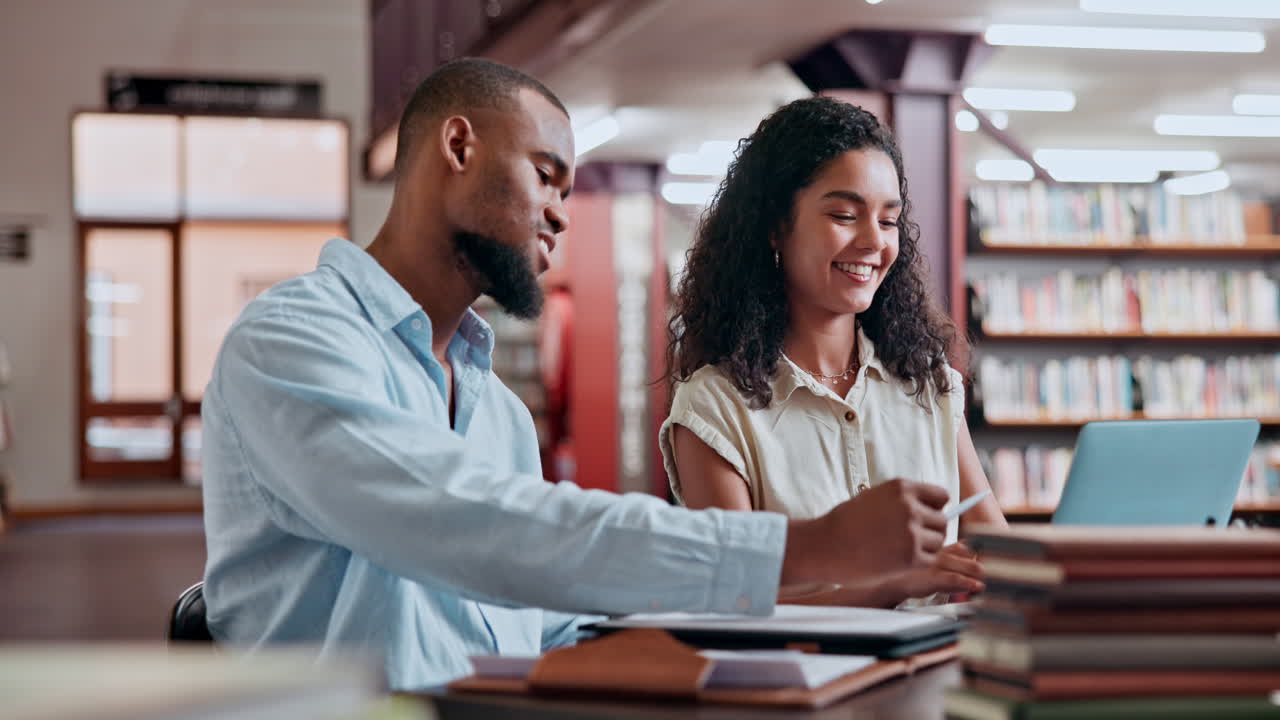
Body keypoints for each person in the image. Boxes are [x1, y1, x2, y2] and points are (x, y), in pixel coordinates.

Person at [200, 59, 955, 690]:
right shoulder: (292, 341)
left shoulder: (493, 410)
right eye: (546, 176)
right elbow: (470, 523)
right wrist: (809, 549)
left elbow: (547, 618)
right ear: (458, 145)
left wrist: (762, 646)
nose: (561, 213)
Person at [661, 97, 1007, 608]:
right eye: (845, 215)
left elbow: (995, 546)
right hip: (801, 683)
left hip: (942, 677)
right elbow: (733, 600)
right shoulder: (714, 406)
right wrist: (887, 590)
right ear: (776, 227)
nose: (873, 241)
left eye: (889, 221)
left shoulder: (928, 384)